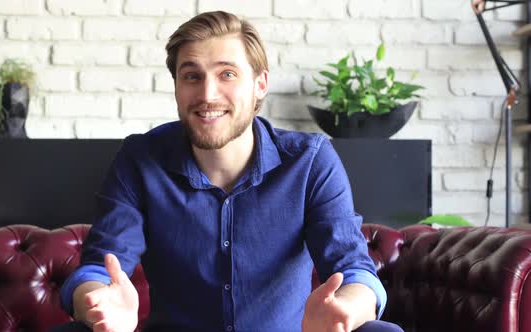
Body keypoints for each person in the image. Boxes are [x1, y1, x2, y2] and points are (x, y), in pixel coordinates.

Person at [54, 11, 404, 332]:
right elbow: (99, 267)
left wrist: (345, 309)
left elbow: (355, 268)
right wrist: (98, 303)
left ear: (260, 85)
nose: (207, 94)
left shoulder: (311, 162)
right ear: (176, 85)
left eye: (227, 74)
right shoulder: (139, 160)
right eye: (192, 76)